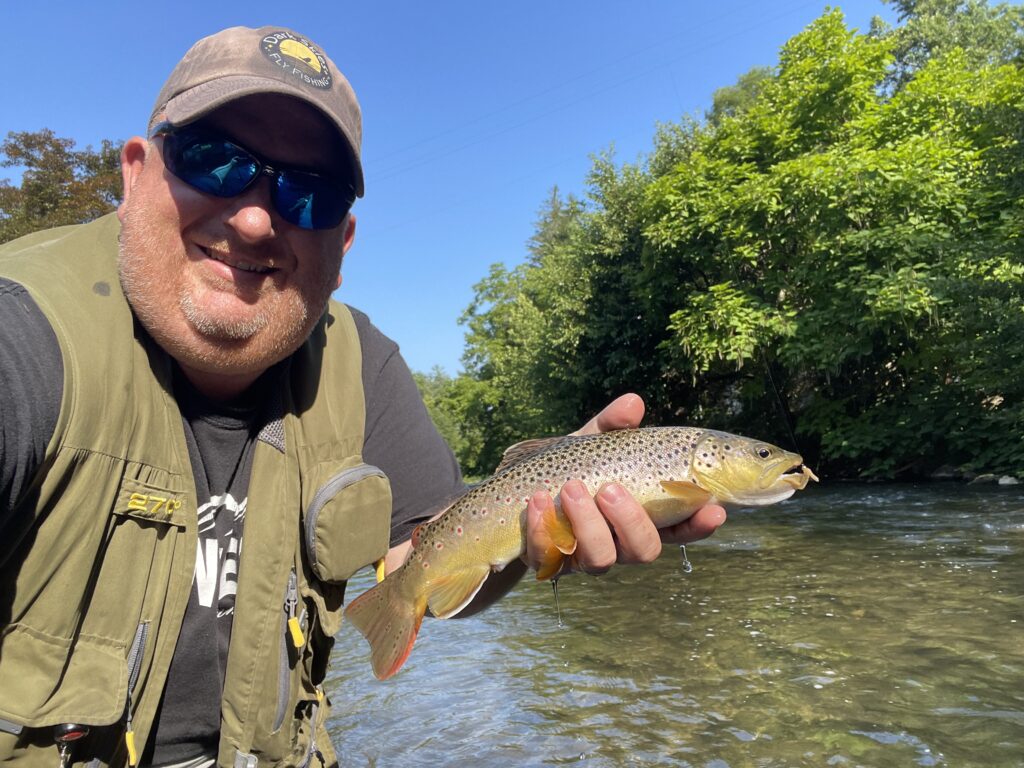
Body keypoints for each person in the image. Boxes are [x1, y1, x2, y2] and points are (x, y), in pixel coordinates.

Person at [0, 25, 725, 768]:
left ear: (342, 246)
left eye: (306, 193)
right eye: (214, 162)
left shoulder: (361, 362)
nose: (254, 217)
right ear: (134, 174)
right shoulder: (25, 334)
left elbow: (432, 549)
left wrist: (540, 514)